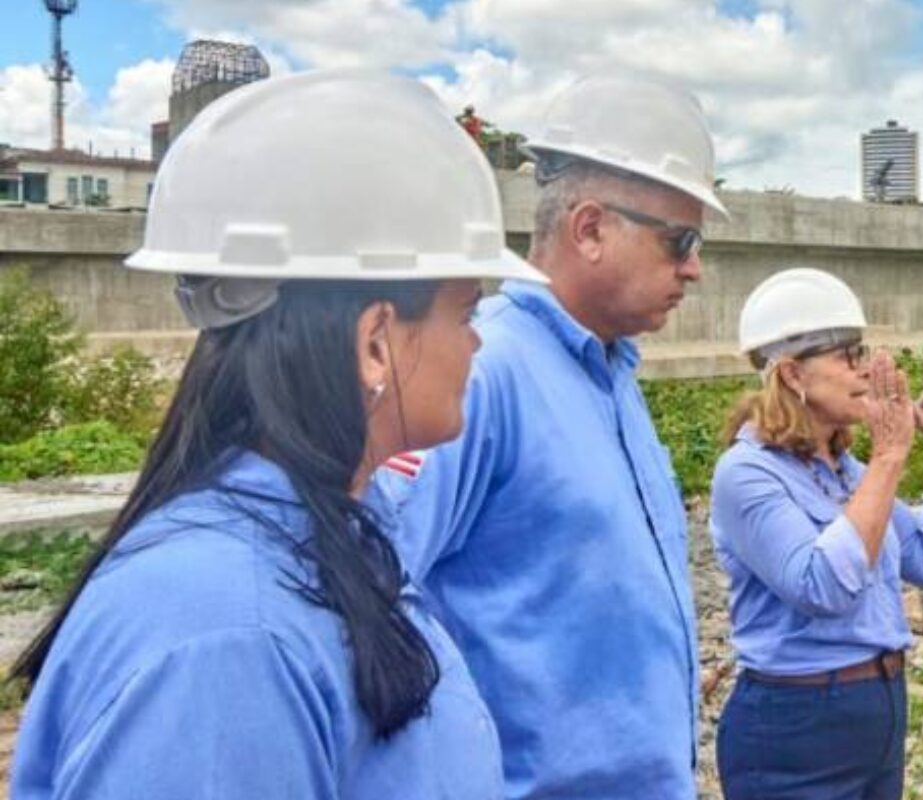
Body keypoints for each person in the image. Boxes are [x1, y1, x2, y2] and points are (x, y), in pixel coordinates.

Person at [8, 70, 546, 799]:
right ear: (375, 343)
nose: (478, 345)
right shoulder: (227, 637)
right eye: (466, 314)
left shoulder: (326, 539)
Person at [380, 74, 726, 798]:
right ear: (591, 228)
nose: (694, 268)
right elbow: (373, 595)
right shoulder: (485, 374)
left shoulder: (610, 375)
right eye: (679, 241)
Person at [709, 268, 923, 799]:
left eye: (863, 351)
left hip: (877, 709)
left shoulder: (845, 470)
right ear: (792, 374)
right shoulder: (748, 473)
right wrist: (889, 456)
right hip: (797, 724)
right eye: (847, 355)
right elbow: (821, 587)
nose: (866, 369)